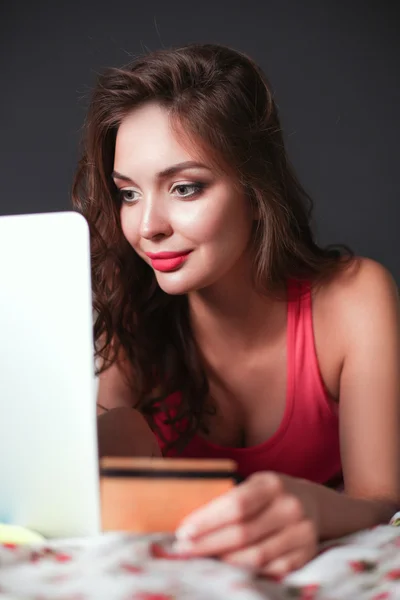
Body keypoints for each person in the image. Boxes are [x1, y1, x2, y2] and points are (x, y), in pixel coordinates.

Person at [72, 43, 400, 577]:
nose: (148, 226)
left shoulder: (353, 300)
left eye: (185, 187)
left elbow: (382, 503)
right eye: (128, 194)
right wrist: (117, 435)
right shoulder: (131, 306)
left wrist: (316, 507)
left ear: (254, 189)